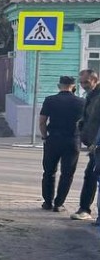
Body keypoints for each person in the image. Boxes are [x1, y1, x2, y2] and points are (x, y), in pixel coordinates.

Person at [39, 75, 84, 212]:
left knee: (48, 172)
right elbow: (85, 123)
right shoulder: (81, 102)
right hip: (72, 140)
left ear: (59, 86)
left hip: (53, 139)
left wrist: (44, 136)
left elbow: (42, 121)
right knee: (67, 173)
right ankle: (59, 204)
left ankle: (47, 202)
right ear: (74, 86)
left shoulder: (50, 100)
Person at [74, 69, 100, 220]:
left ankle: (85, 210)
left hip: (97, 145)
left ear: (95, 80)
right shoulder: (92, 95)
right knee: (90, 175)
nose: (83, 85)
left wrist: (96, 142)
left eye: (87, 82)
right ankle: (85, 209)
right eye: (82, 82)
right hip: (93, 145)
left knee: (92, 175)